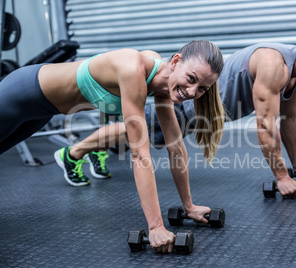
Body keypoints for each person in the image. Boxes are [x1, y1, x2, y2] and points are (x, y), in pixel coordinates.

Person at [0, 40, 225, 253]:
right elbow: (139, 155)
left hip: (43, 111)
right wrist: (156, 227)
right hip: (23, 92)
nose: (193, 92)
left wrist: (189, 206)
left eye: (203, 89)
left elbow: (175, 148)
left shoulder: (164, 84)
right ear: (175, 61)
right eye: (192, 78)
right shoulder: (133, 69)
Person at [82, 29, 296, 198]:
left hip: (204, 114)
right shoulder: (274, 63)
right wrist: (281, 176)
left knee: (151, 137)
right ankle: (74, 153)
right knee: (138, 130)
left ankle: (96, 149)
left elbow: (289, 120)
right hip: (190, 102)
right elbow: (266, 125)